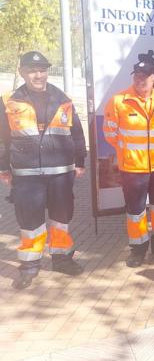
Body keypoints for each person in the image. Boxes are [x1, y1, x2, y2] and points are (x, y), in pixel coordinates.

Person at [0, 51, 86, 290]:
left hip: (60, 172)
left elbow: (77, 133)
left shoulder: (62, 98)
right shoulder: (8, 100)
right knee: (30, 223)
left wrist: (80, 162)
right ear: (22, 73)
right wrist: (2, 167)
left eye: (42, 70)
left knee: (61, 220)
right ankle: (29, 266)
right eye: (32, 70)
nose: (38, 75)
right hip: (26, 175)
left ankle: (61, 259)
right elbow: (2, 138)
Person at [103, 59, 154, 267]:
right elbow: (110, 134)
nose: (140, 79)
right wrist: (129, 153)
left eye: (145, 75)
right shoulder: (119, 101)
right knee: (136, 211)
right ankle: (138, 249)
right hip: (133, 168)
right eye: (137, 75)